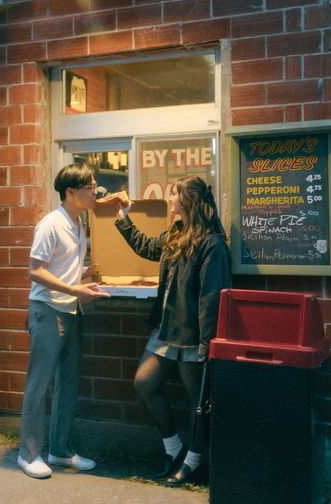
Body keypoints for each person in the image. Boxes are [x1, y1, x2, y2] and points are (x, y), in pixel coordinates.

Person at [103, 176, 231, 486]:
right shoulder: (177, 233)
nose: (169, 198)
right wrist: (123, 218)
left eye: (174, 194)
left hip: (191, 334)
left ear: (189, 200)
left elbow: (210, 298)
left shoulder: (211, 243)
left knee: (196, 402)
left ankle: (195, 460)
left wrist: (206, 346)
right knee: (144, 383)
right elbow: (147, 247)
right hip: (166, 328)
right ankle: (174, 448)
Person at [18, 163, 109, 479]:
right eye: (90, 185)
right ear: (71, 192)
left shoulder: (78, 222)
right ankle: (28, 454)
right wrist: (74, 287)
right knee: (39, 384)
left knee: (68, 385)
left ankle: (59, 451)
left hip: (71, 311)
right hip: (47, 311)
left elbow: (60, 269)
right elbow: (35, 270)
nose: (94, 190)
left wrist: (86, 276)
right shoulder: (51, 224)